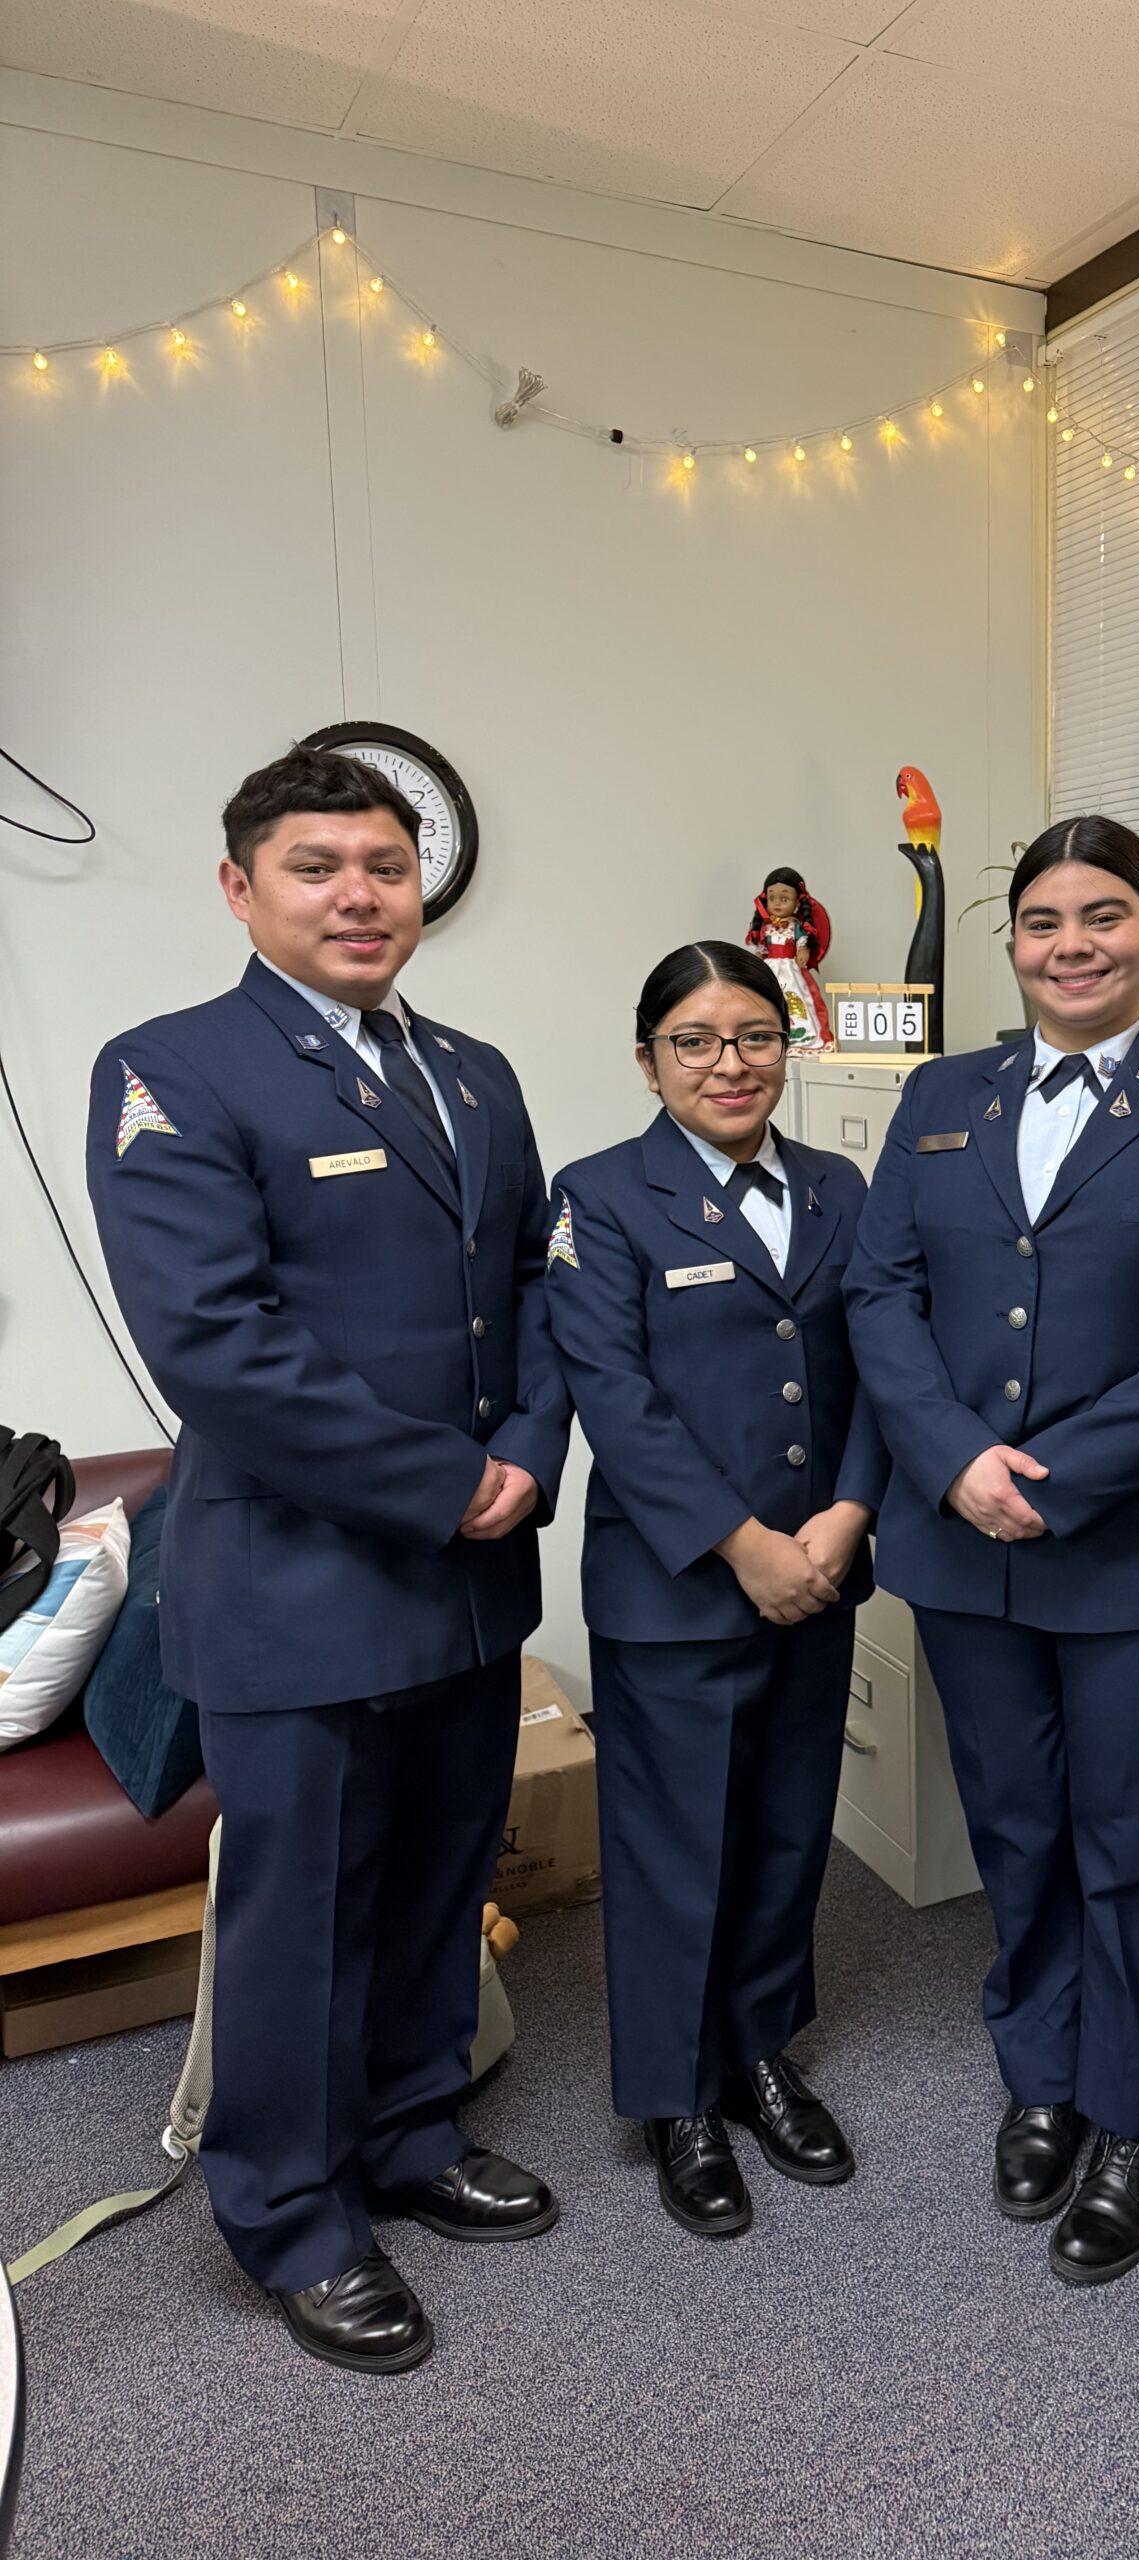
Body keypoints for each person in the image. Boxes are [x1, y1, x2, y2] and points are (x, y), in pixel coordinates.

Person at [85, 745, 570, 2376]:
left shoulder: (478, 1071)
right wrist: (452, 1482)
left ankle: (419, 2135)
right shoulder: (174, 1071)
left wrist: (532, 1454)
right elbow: (218, 1353)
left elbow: (531, 1290)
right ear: (243, 890)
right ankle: (292, 2217)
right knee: (301, 1917)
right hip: (302, 1585)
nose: (359, 893)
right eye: (317, 866)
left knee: (444, 1878)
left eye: (383, 864)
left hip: (467, 1578)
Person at [844, 815, 1139, 2284]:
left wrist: (1063, 1477)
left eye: (1105, 915)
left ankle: (1132, 2116)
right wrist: (952, 1460)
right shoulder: (941, 1099)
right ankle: (1041, 2071)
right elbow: (881, 1296)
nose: (1073, 944)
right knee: (1019, 1829)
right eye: (1044, 921)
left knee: (1138, 1841)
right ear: (1016, 945)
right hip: (963, 1539)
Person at [544, 942, 887, 2236]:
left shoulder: (839, 1188)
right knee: (674, 1844)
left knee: (789, 1828)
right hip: (681, 1585)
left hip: (825, 1571)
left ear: (783, 1050)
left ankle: (757, 2052)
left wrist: (849, 1517)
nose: (729, 1063)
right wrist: (748, 1546)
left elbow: (876, 1365)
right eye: (695, 1041)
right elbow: (613, 1402)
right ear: (648, 1061)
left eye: (752, 1036)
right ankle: (676, 2096)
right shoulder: (599, 1198)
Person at [746, 867, 833, 1052]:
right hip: (770, 970)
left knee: (796, 999)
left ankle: (802, 1036)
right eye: (772, 898)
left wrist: (803, 950)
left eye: (784, 899)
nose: (777, 903)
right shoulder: (765, 928)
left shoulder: (796, 927)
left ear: (796, 903)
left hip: (791, 969)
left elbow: (802, 943)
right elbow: (761, 948)